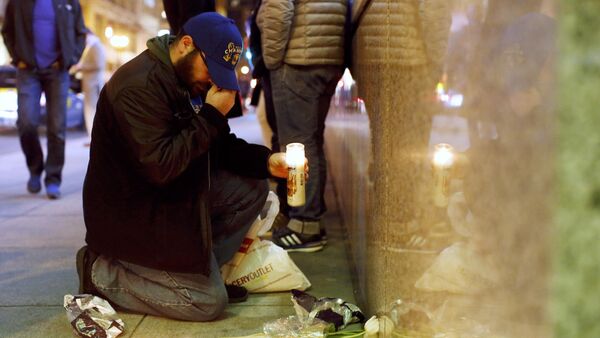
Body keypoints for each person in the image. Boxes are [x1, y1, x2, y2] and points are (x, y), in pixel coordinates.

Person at [77, 13, 291, 321]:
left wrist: (267, 160)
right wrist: (211, 116)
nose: (212, 80)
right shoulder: (137, 87)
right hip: (131, 215)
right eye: (211, 68)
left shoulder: (188, 78)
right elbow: (160, 167)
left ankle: (200, 276)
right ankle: (101, 274)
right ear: (186, 45)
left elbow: (218, 145)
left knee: (252, 187)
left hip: (169, 198)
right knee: (208, 303)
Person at [257, 0, 347, 252]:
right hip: (328, 53)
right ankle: (310, 220)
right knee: (312, 142)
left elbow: (278, 6)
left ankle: (305, 225)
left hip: (297, 57)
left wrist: (272, 60)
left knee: (298, 143)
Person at [1, 0, 86, 199]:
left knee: (57, 128)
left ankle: (53, 178)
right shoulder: (18, 2)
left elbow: (80, 33)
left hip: (58, 72)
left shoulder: (69, 2)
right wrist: (17, 57)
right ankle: (35, 168)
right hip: (28, 71)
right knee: (26, 123)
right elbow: (7, 31)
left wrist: (70, 59)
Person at [70, 28, 106, 140]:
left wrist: (81, 67)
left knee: (92, 111)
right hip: (90, 83)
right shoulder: (92, 46)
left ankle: (94, 138)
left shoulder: (95, 46)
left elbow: (98, 64)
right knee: (90, 111)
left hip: (93, 83)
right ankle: (93, 137)